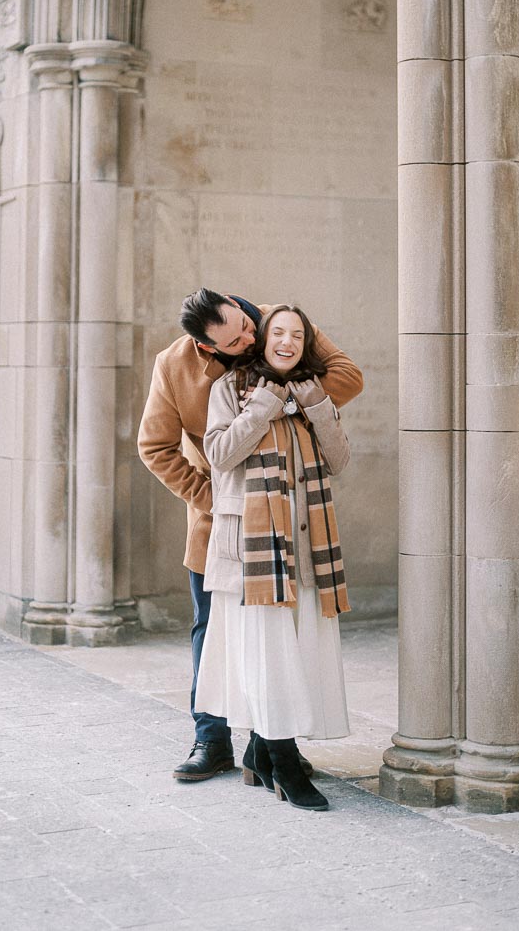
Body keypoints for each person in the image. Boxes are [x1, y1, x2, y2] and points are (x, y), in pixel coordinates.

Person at [137, 289, 363, 782]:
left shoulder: (278, 324)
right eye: (234, 341)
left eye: (245, 325)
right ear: (206, 347)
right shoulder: (174, 364)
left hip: (290, 503)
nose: (249, 337)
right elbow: (155, 446)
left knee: (282, 629)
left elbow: (347, 376)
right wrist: (213, 499)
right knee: (211, 629)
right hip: (220, 515)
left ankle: (271, 739)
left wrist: (290, 396)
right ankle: (211, 739)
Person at [194, 303, 355, 811]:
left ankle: (262, 756)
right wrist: (262, 405)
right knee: (267, 657)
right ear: (262, 339)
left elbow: (340, 459)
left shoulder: (312, 392)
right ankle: (286, 766)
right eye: (277, 332)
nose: (286, 341)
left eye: (297, 334)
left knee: (294, 656)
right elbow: (218, 454)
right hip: (252, 551)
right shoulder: (231, 390)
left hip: (306, 543)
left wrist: (318, 407)